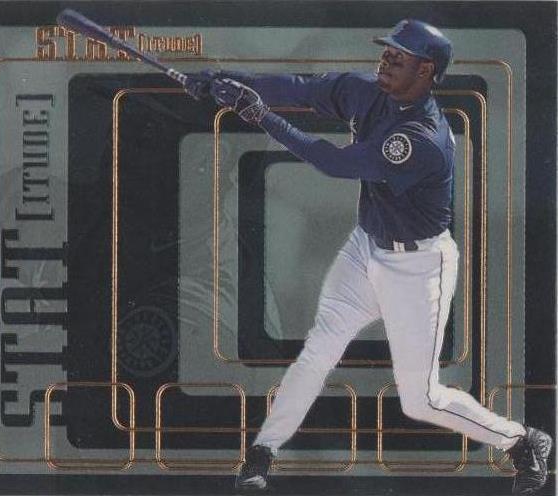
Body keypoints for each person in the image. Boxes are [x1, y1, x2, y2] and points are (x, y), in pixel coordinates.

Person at [185, 19, 552, 495]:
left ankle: (522, 440)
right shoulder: (365, 91)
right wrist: (225, 84)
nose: (386, 59)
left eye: (399, 56)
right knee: (318, 351)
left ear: (426, 70)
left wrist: (262, 117)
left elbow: (335, 163)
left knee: (420, 400)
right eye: (387, 51)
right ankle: (263, 451)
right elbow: (300, 89)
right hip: (366, 248)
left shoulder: (422, 138)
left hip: (418, 269)